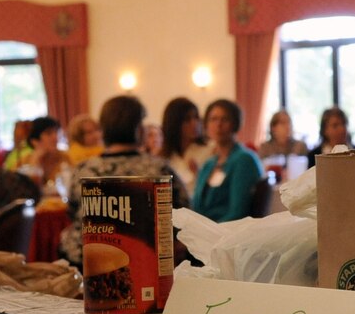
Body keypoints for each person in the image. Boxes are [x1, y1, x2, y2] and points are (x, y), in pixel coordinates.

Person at [58, 95, 191, 266]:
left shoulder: (85, 170)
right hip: (147, 261)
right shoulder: (158, 169)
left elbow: (72, 211)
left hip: (89, 261)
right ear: (139, 129)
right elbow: (185, 212)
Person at [193, 99, 264, 222]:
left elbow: (238, 212)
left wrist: (207, 233)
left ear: (235, 124)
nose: (218, 125)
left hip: (228, 233)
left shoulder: (244, 160)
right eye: (213, 119)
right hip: (203, 231)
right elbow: (196, 206)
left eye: (225, 119)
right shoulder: (209, 164)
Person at [160, 97, 214, 197]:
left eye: (196, 118)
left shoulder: (210, 149)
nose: (194, 124)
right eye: (187, 120)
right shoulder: (165, 156)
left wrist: (199, 175)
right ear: (174, 124)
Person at [23, 116, 71, 187]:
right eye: (49, 133)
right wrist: (35, 161)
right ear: (35, 141)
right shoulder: (24, 162)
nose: (55, 137)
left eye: (56, 132)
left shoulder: (65, 157)